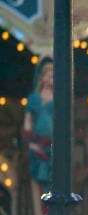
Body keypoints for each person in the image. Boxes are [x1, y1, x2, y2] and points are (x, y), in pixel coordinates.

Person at [23, 57, 54, 194]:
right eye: (48, 76)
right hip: (37, 145)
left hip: (53, 146)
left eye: (53, 76)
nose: (50, 79)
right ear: (42, 78)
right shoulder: (34, 98)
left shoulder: (59, 97)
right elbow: (28, 121)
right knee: (37, 180)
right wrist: (30, 142)